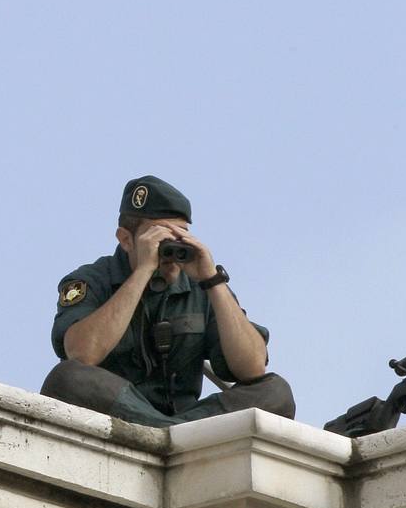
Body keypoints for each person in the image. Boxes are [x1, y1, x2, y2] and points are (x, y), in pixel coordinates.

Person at [41, 175, 295, 427]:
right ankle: (165, 431)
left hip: (189, 418)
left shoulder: (202, 285)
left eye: (180, 237)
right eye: (160, 238)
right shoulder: (92, 279)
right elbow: (82, 354)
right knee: (67, 378)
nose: (171, 251)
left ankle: (171, 431)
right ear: (126, 239)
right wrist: (143, 271)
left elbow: (252, 368)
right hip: (118, 409)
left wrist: (212, 281)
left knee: (276, 392)